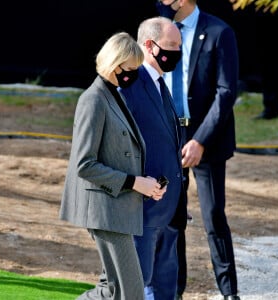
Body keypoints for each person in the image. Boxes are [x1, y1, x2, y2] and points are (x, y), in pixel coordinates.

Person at [59, 32, 167, 300]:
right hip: (103, 209)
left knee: (111, 289)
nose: (133, 76)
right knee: (131, 293)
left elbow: (120, 154)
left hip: (119, 208)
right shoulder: (93, 99)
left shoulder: (114, 96)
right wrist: (134, 182)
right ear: (114, 63)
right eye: (130, 69)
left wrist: (147, 185)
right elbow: (84, 164)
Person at [156, 1, 241, 300]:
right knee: (171, 217)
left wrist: (200, 140)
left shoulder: (219, 32)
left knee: (214, 215)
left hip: (208, 140)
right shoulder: (157, 29)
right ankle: (173, 290)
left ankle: (229, 292)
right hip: (168, 137)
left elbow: (227, 91)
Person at [120, 17, 187, 300]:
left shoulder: (161, 83)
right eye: (171, 46)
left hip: (168, 212)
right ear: (149, 45)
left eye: (179, 47)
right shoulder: (130, 84)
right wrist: (136, 184)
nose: (176, 53)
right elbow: (118, 145)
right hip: (142, 210)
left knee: (164, 288)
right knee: (137, 287)